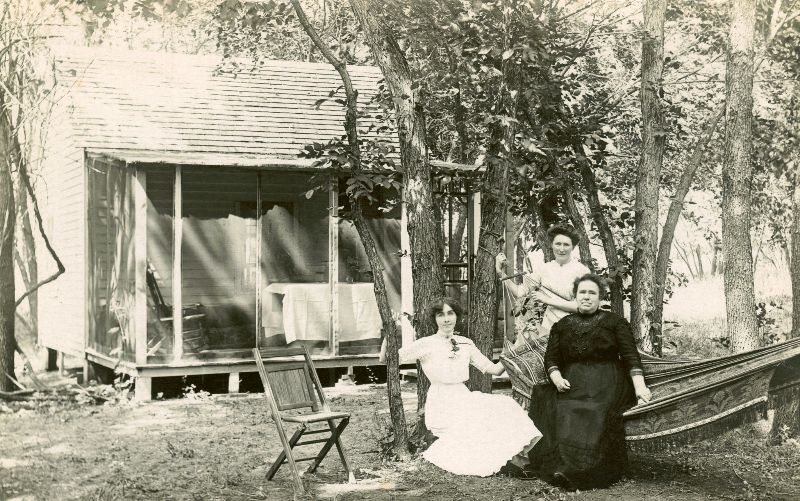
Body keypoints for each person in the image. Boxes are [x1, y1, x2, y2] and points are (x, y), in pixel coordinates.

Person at [380, 297, 542, 477]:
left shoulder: (466, 343)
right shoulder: (426, 343)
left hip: (463, 396)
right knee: (475, 423)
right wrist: (389, 332)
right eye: (441, 315)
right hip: (442, 401)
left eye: (450, 313)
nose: (446, 319)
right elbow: (386, 359)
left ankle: (516, 460)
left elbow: (494, 370)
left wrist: (513, 350)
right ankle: (509, 463)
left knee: (505, 404)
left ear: (457, 316)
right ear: (435, 319)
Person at [540, 274, 651, 490]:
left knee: (593, 410)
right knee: (561, 407)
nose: (586, 297)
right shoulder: (562, 325)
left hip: (607, 380)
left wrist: (640, 387)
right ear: (575, 296)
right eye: (582, 292)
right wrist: (556, 378)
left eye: (592, 293)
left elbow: (631, 356)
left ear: (600, 298)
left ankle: (583, 470)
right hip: (571, 381)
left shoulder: (614, 322)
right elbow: (551, 358)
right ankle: (563, 466)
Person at [495, 224, 590, 342]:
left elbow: (582, 307)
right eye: (558, 244)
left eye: (566, 245)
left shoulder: (582, 271)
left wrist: (546, 300)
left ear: (573, 247)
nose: (561, 249)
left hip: (576, 329)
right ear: (551, 244)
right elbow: (520, 292)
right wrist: (500, 272)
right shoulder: (544, 269)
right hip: (549, 329)